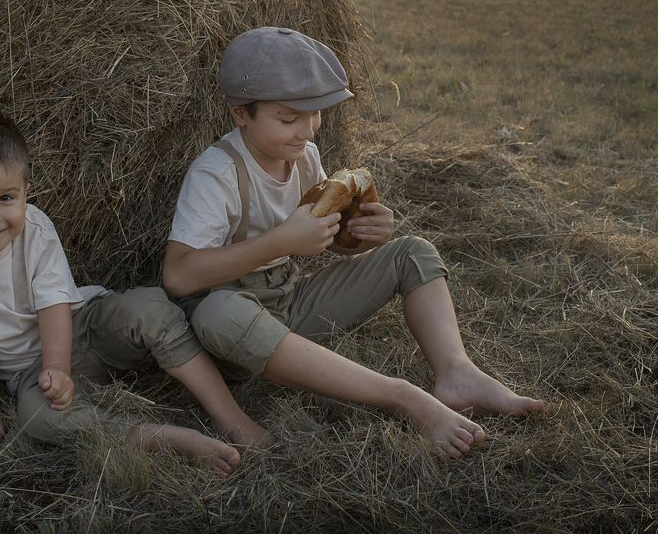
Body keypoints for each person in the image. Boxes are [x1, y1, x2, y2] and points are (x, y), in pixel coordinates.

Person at [162, 27, 545, 458]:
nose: (305, 132)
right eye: (288, 119)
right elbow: (178, 277)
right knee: (218, 312)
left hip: (286, 304)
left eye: (314, 116)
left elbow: (322, 241)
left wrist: (359, 238)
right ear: (240, 114)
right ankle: (402, 397)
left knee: (413, 253)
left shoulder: (303, 155)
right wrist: (279, 241)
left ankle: (456, 371)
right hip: (231, 329)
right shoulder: (217, 172)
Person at [0, 111, 269, 476]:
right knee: (37, 418)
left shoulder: (35, 228)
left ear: (25, 194)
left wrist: (59, 366)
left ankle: (232, 418)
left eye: (6, 197)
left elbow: (54, 305)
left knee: (148, 306)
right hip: (29, 373)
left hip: (81, 324)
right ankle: (162, 438)